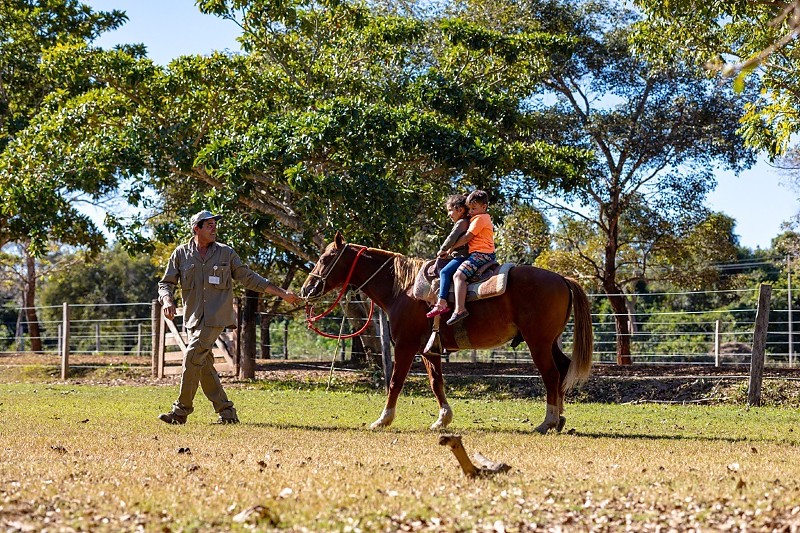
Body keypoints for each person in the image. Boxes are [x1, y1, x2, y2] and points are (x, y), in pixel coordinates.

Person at [157, 210, 303, 425]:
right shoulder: (180, 254)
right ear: (196, 228)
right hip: (192, 319)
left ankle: (180, 412)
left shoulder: (226, 253)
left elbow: (249, 278)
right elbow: (165, 283)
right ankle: (227, 413)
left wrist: (282, 293)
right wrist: (167, 300)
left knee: (191, 356)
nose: (214, 228)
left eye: (215, 224)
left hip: (217, 317)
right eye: (209, 225)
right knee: (203, 366)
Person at [445, 190, 495, 326]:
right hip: (482, 253)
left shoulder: (480, 218)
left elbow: (467, 236)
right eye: (469, 209)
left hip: (481, 254)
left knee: (458, 276)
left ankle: (460, 309)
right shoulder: (478, 217)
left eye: (474, 208)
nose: (471, 212)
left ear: (484, 207)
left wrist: (451, 247)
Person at [426, 194, 470, 318]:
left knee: (444, 272)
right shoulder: (466, 221)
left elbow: (452, 237)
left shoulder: (462, 222)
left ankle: (442, 302)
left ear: (460, 210)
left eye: (450, 210)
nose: (449, 214)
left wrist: (442, 250)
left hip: (462, 256)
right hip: (458, 255)